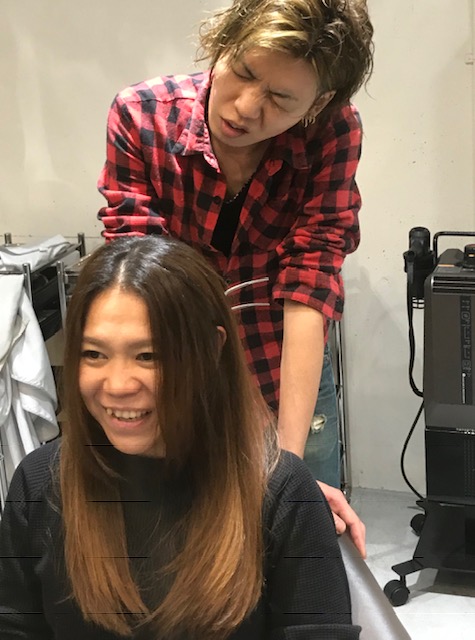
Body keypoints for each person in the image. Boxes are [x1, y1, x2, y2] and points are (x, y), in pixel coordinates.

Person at [97, 0, 374, 556]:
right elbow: (142, 274)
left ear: (318, 103)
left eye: (280, 99)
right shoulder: (142, 116)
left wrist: (287, 471)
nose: (246, 108)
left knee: (302, 527)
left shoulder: (332, 133)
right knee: (185, 531)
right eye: (243, 71)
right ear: (222, 44)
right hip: (176, 348)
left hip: (284, 353)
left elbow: (311, 279)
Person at [0, 236, 361, 639]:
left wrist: (282, 489)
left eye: (148, 356)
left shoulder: (282, 494)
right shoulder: (40, 483)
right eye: (94, 354)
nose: (117, 385)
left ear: (212, 350)